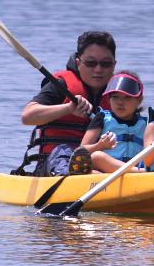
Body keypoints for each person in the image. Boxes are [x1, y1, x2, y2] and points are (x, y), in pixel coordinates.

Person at [18, 31, 116, 176]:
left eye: (106, 64)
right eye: (90, 63)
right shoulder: (61, 85)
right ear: (78, 63)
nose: (98, 69)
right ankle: (75, 176)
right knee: (64, 151)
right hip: (56, 163)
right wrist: (68, 108)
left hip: (99, 162)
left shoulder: (120, 93)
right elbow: (28, 116)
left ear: (114, 65)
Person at [73, 71, 147, 174]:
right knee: (97, 157)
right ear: (109, 99)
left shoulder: (146, 124)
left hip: (137, 168)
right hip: (108, 170)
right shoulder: (101, 118)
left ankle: (137, 172)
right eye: (115, 97)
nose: (120, 102)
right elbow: (80, 152)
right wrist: (99, 146)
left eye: (127, 97)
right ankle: (138, 172)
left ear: (139, 100)